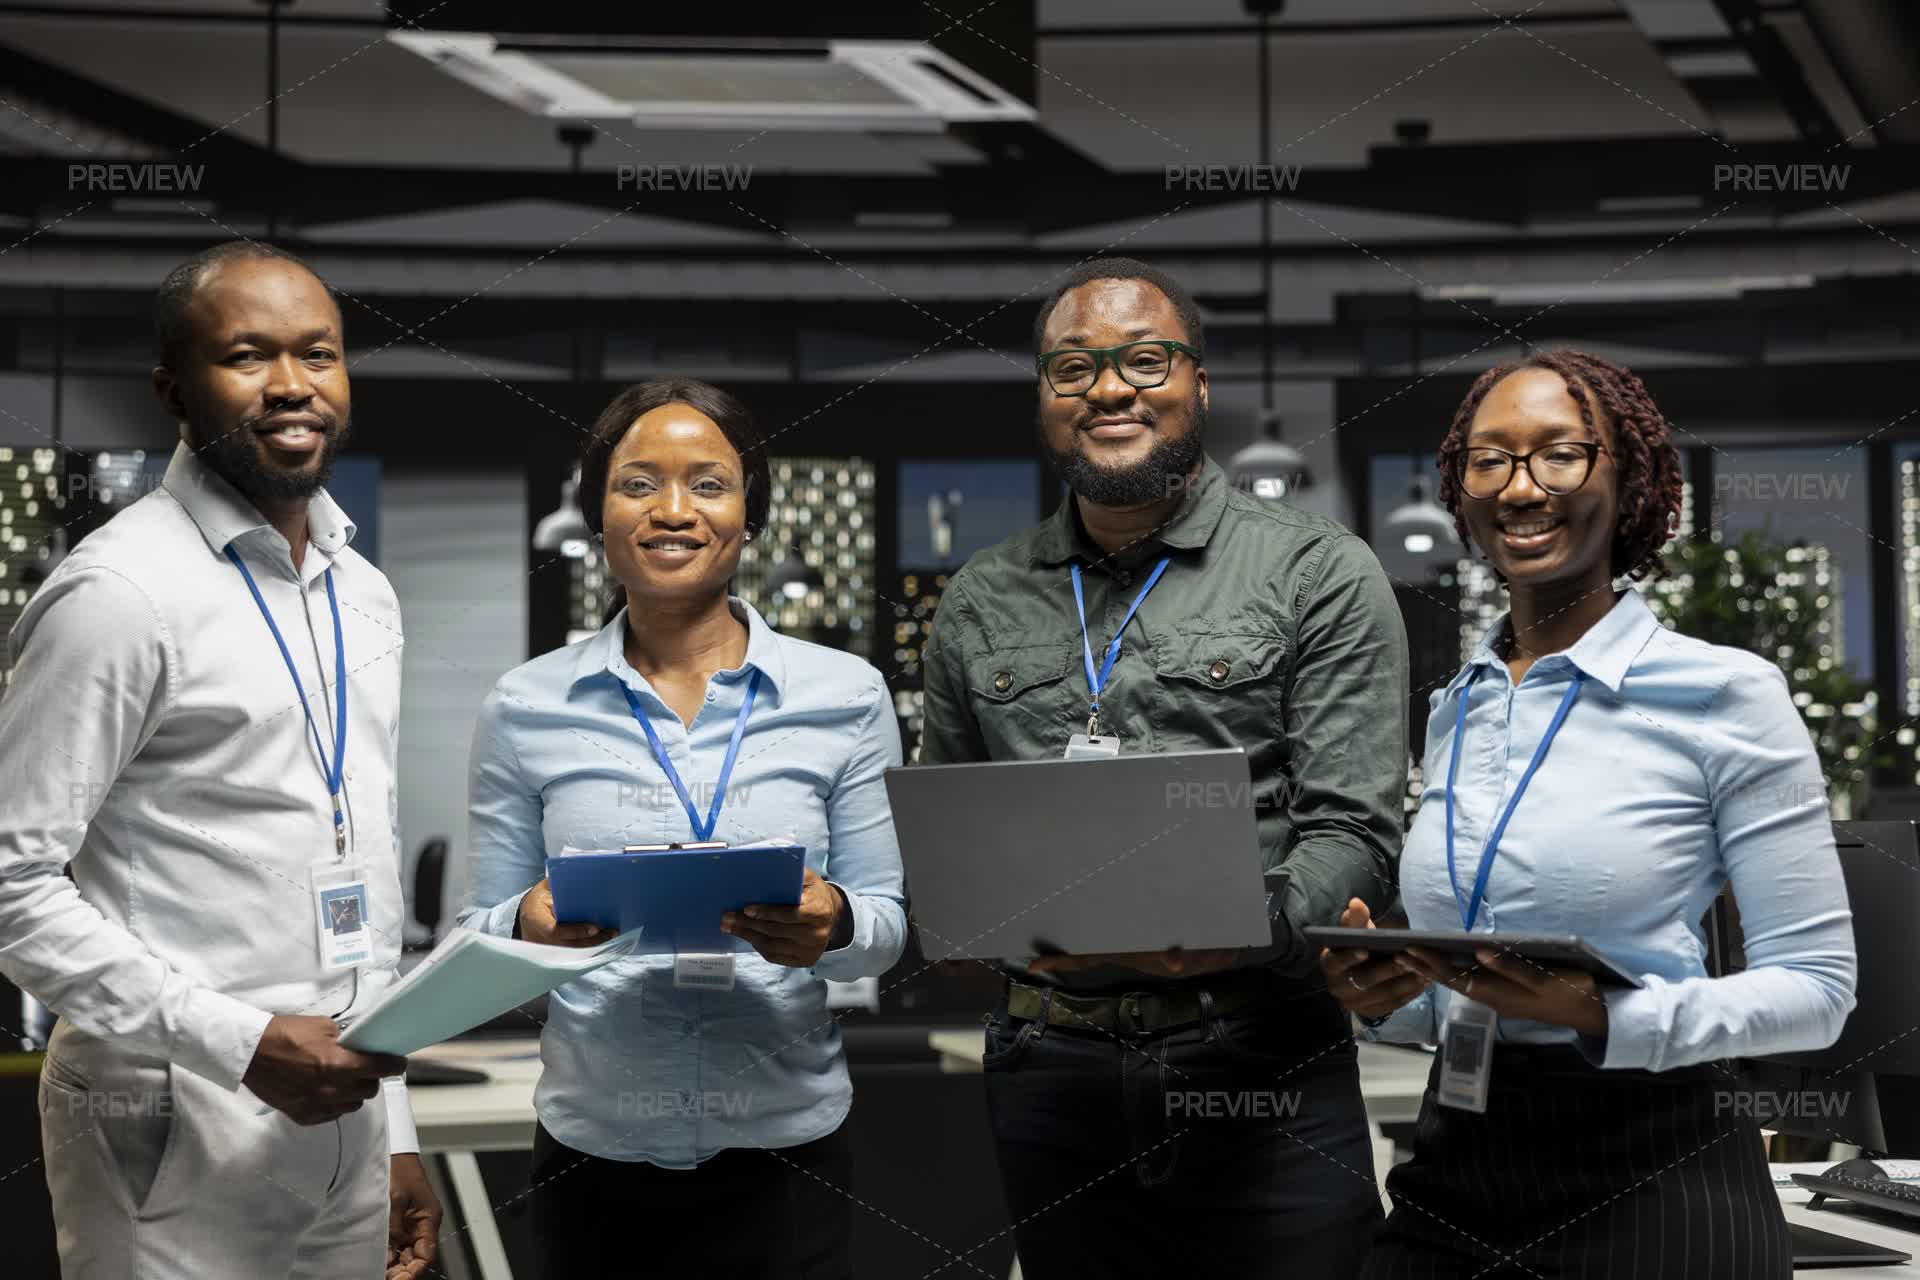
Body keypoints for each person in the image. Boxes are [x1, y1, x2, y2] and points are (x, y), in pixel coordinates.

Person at [916, 257, 1410, 1278]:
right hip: (1049, 1067)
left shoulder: (1318, 571)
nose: (1108, 389)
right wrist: (967, 919)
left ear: (1199, 384)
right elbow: (950, 832)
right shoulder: (978, 600)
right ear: (1045, 397)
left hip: (1260, 1054)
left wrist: (1238, 928)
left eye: (1144, 360)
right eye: (1073, 368)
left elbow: (1354, 831)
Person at [1323, 349, 1857, 1279]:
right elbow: (1478, 988)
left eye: (1560, 454)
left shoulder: (1726, 693)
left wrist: (1604, 1013)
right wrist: (1388, 1002)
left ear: (1628, 478)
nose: (1522, 486)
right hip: (1460, 1154)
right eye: (1490, 460)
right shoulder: (1461, 704)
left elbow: (1818, 991)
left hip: (1654, 1164)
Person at [0, 241, 440, 1279]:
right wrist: (238, 1041)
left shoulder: (363, 592)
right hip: (167, 1111)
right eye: (248, 355)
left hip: (341, 1107)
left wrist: (395, 1129)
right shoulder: (119, 593)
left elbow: (362, 869)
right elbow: (10, 882)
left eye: (318, 353)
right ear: (174, 391)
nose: (292, 384)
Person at [459, 377, 907, 1280]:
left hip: (787, 1156)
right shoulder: (524, 705)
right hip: (594, 1160)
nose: (673, 511)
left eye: (709, 483)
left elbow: (887, 929)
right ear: (598, 514)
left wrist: (834, 923)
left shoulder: (849, 697)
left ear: (750, 513)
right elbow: (476, 940)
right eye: (638, 484)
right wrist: (526, 928)